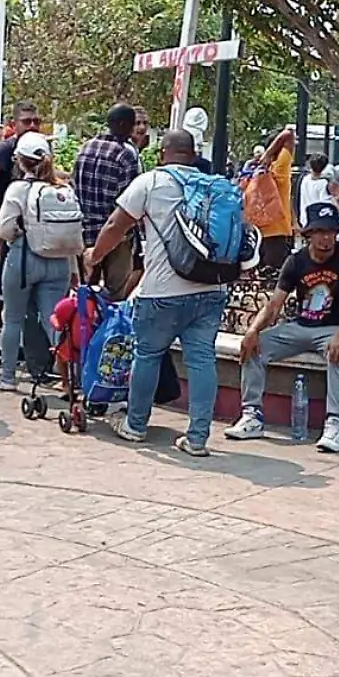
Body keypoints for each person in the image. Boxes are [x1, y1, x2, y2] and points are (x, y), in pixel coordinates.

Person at [85, 128, 230, 456]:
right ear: (193, 155)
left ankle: (136, 425)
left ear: (162, 153)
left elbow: (115, 226)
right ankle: (197, 438)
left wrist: (94, 255)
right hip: (212, 288)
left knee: (147, 354)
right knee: (202, 359)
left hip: (163, 290)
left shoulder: (150, 182)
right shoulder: (214, 185)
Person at [226, 200, 339, 453]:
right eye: (321, 232)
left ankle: (335, 423)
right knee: (253, 347)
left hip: (333, 328)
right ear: (309, 233)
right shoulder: (296, 261)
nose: (326, 239)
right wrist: (252, 331)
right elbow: (274, 305)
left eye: (331, 232)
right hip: (300, 326)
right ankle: (252, 415)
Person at [0, 132, 76, 391]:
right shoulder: (62, 188)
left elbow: (2, 228)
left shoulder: (18, 189)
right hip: (59, 261)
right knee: (54, 321)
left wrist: (16, 233)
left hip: (24, 260)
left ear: (19, 161)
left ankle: (7, 376)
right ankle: (69, 379)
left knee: (13, 318)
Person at [0, 102, 42, 363]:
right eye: (27, 121)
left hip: (29, 232)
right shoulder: (6, 148)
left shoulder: (40, 149)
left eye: (36, 120)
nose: (33, 125)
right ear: (14, 125)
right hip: (5, 230)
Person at [73, 104, 143, 298]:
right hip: (116, 236)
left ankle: (85, 327)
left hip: (85, 231)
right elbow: (130, 201)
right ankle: (108, 328)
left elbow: (75, 185)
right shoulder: (126, 155)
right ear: (122, 124)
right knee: (115, 294)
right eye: (131, 124)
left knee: (86, 293)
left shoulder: (85, 148)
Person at [248, 127, 298, 270]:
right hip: (277, 231)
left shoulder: (258, 170)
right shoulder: (280, 168)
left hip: (258, 230)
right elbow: (289, 134)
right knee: (275, 280)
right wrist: (269, 152)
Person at [298, 154, 337, 234]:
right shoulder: (323, 183)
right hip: (318, 220)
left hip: (304, 218)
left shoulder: (304, 179)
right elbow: (325, 202)